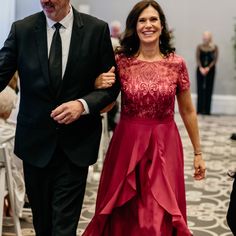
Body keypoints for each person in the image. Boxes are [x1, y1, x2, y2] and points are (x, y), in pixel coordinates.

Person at [83, 1, 206, 235]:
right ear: (134, 26)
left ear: (162, 25)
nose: (148, 25)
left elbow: (188, 110)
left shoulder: (176, 64)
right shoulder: (121, 62)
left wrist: (198, 153)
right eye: (142, 20)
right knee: (123, 209)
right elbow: (106, 105)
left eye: (153, 19)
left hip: (165, 144)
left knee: (159, 212)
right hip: (127, 143)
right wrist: (97, 85)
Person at [0, 0, 120, 235]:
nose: (45, 0)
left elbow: (111, 87)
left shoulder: (96, 30)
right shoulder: (22, 29)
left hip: (76, 145)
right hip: (35, 145)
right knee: (42, 226)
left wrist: (82, 105)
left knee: (63, 228)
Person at [0, 85, 25, 218]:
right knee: (15, 175)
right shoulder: (12, 134)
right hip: (6, 180)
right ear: (5, 111)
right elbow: (18, 164)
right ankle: (11, 210)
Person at [196, 31, 218, 115]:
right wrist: (201, 68)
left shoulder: (214, 47)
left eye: (207, 36)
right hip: (200, 69)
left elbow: (215, 59)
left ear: (210, 38)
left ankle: (207, 110)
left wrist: (208, 68)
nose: (205, 38)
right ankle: (199, 109)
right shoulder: (199, 47)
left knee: (209, 88)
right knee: (200, 89)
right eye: (204, 36)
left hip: (211, 70)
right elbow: (197, 58)